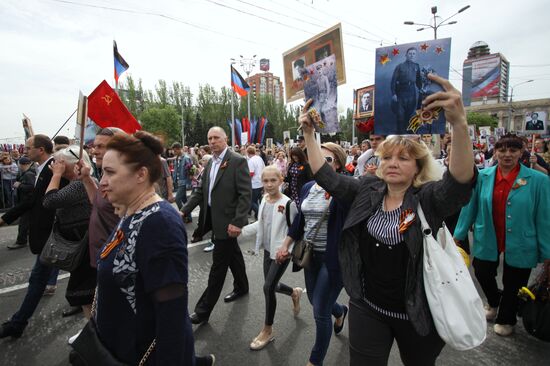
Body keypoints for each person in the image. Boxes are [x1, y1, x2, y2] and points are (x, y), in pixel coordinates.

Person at [297, 74, 476, 365]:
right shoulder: (367, 189)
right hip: (367, 306)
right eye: (387, 157)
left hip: (418, 312)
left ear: (418, 166)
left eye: (403, 158)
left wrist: (459, 123)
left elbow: (458, 183)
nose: (392, 163)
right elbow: (326, 176)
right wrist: (309, 134)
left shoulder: (427, 198)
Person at [94, 131, 214, 365]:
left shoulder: (160, 223)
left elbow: (172, 317)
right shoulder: (130, 210)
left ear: (141, 174)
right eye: (102, 172)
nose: (103, 181)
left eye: (110, 172)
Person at [454, 133, 550, 337]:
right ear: (495, 152)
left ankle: (507, 319)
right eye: (502, 150)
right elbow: (469, 207)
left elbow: (544, 217)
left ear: (521, 152)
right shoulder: (483, 176)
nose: (507, 155)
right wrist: (459, 234)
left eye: (513, 150)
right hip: (488, 234)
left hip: (522, 239)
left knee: (514, 282)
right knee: (481, 271)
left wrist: (547, 250)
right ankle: (494, 301)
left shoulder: (539, 180)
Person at [277, 142, 350, 366]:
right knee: (314, 300)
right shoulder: (309, 186)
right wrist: (286, 243)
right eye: (319, 158)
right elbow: (300, 219)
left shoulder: (343, 188)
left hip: (333, 258)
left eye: (327, 160)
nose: (321, 164)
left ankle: (314, 361)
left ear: (337, 164)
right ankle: (339, 311)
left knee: (319, 311)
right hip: (309, 255)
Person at [0, 134, 68, 339]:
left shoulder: (53, 169)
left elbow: (50, 202)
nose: (25, 151)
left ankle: (18, 323)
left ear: (40, 150)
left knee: (38, 278)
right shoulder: (42, 169)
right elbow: (32, 201)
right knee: (40, 278)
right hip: (46, 235)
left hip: (52, 235)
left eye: (28, 148)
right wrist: (7, 218)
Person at [182, 126, 251, 325]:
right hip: (213, 219)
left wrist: (238, 222)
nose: (212, 141)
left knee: (218, 267)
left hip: (228, 223)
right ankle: (242, 287)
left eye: (216, 138)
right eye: (209, 138)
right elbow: (200, 192)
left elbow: (245, 195)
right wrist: (183, 211)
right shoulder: (211, 163)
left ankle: (203, 310)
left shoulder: (237, 161)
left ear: (225, 139)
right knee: (233, 255)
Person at [241, 165, 302, 350]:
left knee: (267, 287)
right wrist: (241, 231)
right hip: (268, 251)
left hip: (281, 253)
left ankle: (268, 330)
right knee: (272, 285)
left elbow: (296, 229)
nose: (269, 184)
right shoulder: (264, 199)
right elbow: (262, 222)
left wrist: (286, 249)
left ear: (281, 181)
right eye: (265, 181)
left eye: (273, 180)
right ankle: (294, 292)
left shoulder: (288, 203)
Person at [43, 146, 95, 319]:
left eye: (60, 163)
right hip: (78, 242)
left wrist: (56, 175)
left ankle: (94, 334)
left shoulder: (80, 184)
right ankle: (92, 329)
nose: (55, 165)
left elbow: (50, 201)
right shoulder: (74, 183)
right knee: (84, 291)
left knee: (84, 291)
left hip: (83, 244)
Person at [391, 47, 422, 134]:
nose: (412, 55)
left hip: (412, 92)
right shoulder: (400, 66)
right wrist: (394, 94)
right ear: (406, 55)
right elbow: (393, 81)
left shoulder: (416, 66)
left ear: (415, 55)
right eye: (410, 53)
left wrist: (421, 91)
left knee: (411, 114)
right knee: (400, 115)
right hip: (401, 91)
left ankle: (409, 135)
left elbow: (419, 81)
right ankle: (400, 134)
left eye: (413, 54)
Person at [7, 156, 36, 249]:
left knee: (23, 222)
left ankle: (21, 241)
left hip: (26, 202)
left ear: (22, 164)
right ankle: (26, 236)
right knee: (27, 221)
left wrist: (19, 186)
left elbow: (31, 188)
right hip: (25, 202)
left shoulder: (28, 174)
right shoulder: (25, 173)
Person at [172, 142, 193, 223]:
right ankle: (189, 217)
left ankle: (183, 215)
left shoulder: (186, 158)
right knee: (185, 201)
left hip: (184, 182)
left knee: (177, 199)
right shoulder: (177, 158)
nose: (174, 153)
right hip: (178, 182)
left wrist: (189, 183)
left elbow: (190, 170)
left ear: (179, 149)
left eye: (175, 151)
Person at [247, 145, 265, 220]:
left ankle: (259, 214)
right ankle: (258, 215)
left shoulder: (251, 160)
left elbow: (251, 173)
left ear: (248, 153)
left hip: (254, 184)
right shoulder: (259, 158)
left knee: (251, 202)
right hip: (260, 183)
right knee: (257, 201)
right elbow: (264, 168)